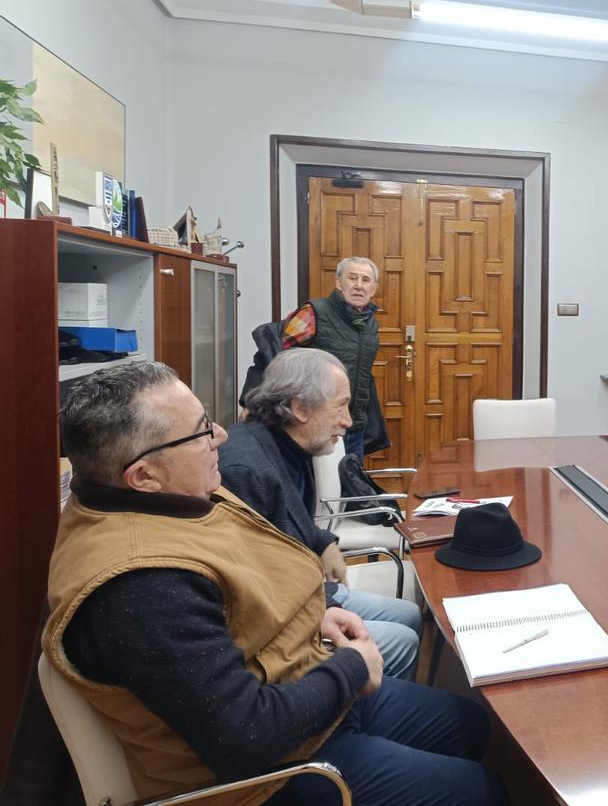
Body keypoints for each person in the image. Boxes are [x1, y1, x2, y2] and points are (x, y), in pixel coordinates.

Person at [44, 361, 506, 805]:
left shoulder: (172, 496)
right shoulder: (140, 587)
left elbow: (238, 598)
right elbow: (247, 736)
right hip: (267, 775)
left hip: (306, 688)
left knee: (472, 726)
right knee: (483, 789)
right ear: (143, 475)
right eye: (203, 431)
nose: (221, 436)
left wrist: (315, 615)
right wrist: (352, 668)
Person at [220, 348, 421, 680]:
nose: (348, 421)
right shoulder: (246, 471)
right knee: (402, 640)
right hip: (281, 620)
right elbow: (252, 590)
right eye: (340, 406)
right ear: (299, 407)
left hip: (305, 587)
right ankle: (361, 713)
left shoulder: (287, 443)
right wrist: (327, 613)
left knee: (410, 614)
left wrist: (324, 541)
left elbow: (290, 518)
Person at [281, 256, 384, 459]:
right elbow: (278, 358)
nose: (358, 286)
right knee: (318, 487)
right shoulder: (314, 313)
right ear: (339, 282)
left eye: (365, 280)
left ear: (373, 288)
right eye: (352, 278)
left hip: (353, 424)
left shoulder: (370, 325)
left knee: (351, 485)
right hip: (315, 424)